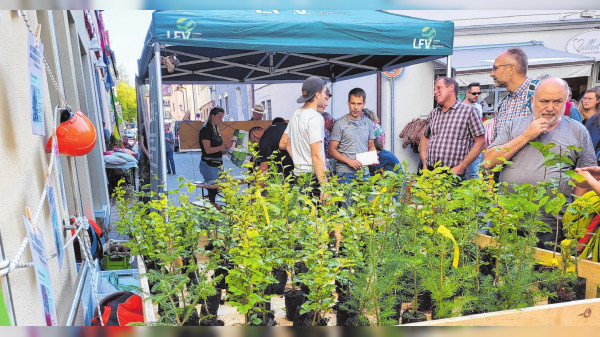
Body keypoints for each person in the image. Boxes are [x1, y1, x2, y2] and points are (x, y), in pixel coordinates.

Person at [484, 77, 596, 249]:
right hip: (507, 220)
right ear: (532, 100)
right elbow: (489, 161)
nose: (550, 108)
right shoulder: (514, 125)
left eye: (557, 102)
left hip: (552, 227)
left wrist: (575, 217)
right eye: (544, 101)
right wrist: (526, 136)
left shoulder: (577, 131)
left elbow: (585, 176)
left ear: (566, 102)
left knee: (544, 274)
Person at [419, 77, 485, 179]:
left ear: (451, 88)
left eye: (438, 88)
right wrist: (424, 163)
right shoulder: (434, 113)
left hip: (453, 174)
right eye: (434, 89)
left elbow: (480, 142)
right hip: (431, 174)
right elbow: (425, 137)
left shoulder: (469, 111)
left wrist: (461, 167)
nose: (435, 92)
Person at [279, 76, 329, 199]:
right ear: (317, 94)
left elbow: (284, 143)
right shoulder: (315, 118)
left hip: (298, 175)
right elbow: (316, 155)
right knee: (318, 216)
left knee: (304, 215)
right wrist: (324, 186)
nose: (324, 96)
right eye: (324, 92)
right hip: (313, 177)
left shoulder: (296, 114)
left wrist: (298, 159)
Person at [329, 88, 376, 183]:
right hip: (345, 174)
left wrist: (373, 157)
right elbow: (331, 150)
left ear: (364, 104)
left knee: (369, 198)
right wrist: (348, 161)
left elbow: (371, 146)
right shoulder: (340, 123)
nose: (356, 107)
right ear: (348, 103)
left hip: (364, 172)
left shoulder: (369, 123)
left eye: (359, 104)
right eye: (353, 103)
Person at [490, 47, 533, 143]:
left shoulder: (537, 95)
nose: (491, 74)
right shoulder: (503, 104)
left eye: (495, 68)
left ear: (510, 69)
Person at [199, 107, 231, 203]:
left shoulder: (215, 129)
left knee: (224, 187)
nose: (221, 120)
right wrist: (223, 146)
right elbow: (208, 150)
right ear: (212, 116)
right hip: (209, 164)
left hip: (218, 163)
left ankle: (220, 210)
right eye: (219, 117)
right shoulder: (205, 129)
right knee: (213, 190)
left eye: (222, 117)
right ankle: (211, 213)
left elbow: (218, 149)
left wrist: (227, 149)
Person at [462, 82, 484, 179]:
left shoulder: (478, 107)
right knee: (459, 173)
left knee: (475, 173)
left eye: (478, 93)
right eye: (474, 93)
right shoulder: (460, 108)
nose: (477, 96)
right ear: (467, 93)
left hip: (475, 144)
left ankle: (475, 193)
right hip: (462, 145)